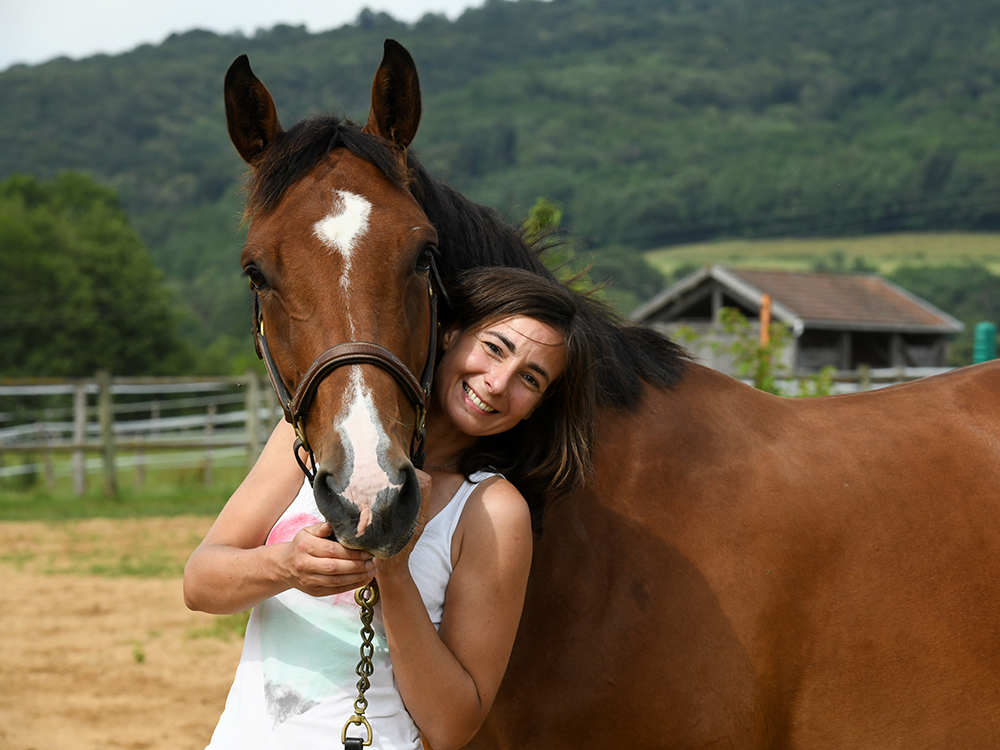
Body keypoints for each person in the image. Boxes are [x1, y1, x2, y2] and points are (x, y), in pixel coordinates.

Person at [184, 266, 602, 750]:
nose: (496, 383)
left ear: (537, 407)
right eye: (493, 348)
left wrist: (396, 571)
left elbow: (451, 727)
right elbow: (200, 585)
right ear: (447, 333)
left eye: (529, 378)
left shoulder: (491, 509)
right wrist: (285, 565)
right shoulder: (309, 440)